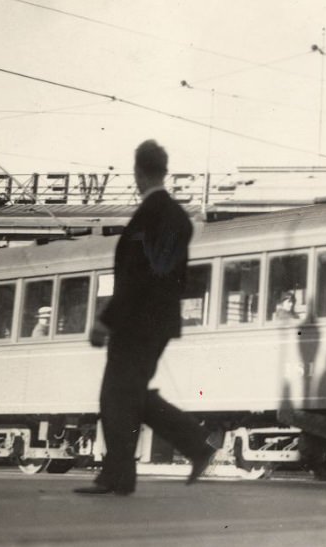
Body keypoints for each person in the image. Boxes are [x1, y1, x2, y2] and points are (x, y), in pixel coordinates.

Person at [75, 140, 214, 497]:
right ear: (164, 171)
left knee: (115, 396)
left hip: (137, 323)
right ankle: (194, 446)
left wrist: (107, 319)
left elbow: (139, 276)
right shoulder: (176, 217)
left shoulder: (152, 215)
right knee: (130, 395)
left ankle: (118, 476)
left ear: (137, 173)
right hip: (156, 322)